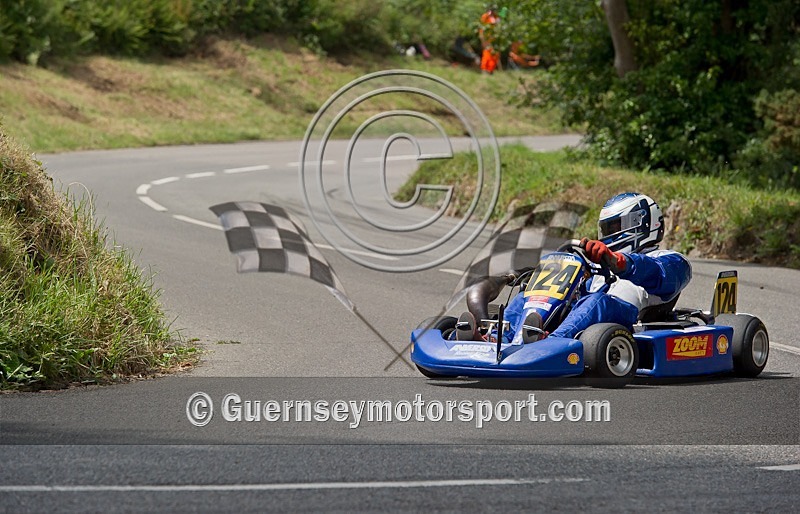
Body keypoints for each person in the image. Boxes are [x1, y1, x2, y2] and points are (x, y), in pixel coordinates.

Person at [456, 193, 692, 342]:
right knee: (527, 298)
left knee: (597, 301)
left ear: (641, 224)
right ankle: (493, 337)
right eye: (607, 229)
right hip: (583, 313)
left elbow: (660, 276)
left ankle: (549, 343)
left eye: (615, 227)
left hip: (627, 316)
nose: (609, 235)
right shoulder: (600, 260)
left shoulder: (670, 258)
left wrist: (620, 262)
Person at [479, 8, 501, 74]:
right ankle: (484, 69)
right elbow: (482, 29)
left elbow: (499, 25)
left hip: (495, 39)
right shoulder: (485, 16)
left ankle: (491, 70)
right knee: (487, 53)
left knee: (495, 54)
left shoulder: (497, 17)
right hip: (487, 39)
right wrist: (482, 39)